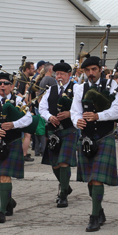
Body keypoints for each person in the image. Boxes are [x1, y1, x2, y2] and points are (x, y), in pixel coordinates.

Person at [70, 56, 118, 232]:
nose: (91, 73)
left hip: (104, 135)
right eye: (87, 70)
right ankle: (98, 210)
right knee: (91, 180)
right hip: (85, 137)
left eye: (94, 69)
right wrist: (77, 120)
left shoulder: (111, 86)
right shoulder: (80, 88)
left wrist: (98, 116)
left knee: (97, 178)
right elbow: (74, 110)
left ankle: (94, 217)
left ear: (100, 69)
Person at [0, 73, 32, 223]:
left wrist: (14, 124)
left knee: (4, 175)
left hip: (12, 142)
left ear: (11, 85)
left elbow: (28, 118)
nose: (2, 86)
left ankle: (1, 211)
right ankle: (9, 201)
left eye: (5, 83)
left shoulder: (19, 101)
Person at [39, 62, 78, 208]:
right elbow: (42, 108)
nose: (59, 76)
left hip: (69, 130)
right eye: (57, 74)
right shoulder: (51, 90)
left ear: (69, 75)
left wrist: (70, 113)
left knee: (63, 162)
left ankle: (63, 195)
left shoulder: (77, 88)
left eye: (62, 74)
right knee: (55, 164)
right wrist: (49, 117)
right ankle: (65, 186)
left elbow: (81, 107)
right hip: (53, 129)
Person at [16, 61, 36, 162]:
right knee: (27, 133)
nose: (34, 70)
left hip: (26, 107)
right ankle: (23, 154)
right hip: (22, 108)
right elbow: (18, 93)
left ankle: (22, 153)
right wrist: (26, 102)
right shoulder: (22, 80)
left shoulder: (26, 79)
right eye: (32, 68)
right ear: (27, 69)